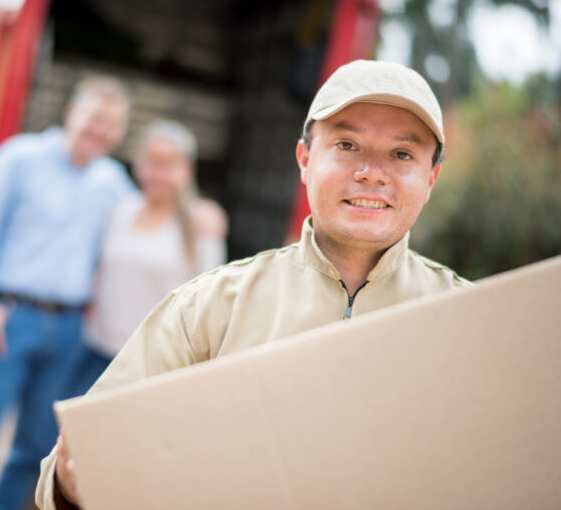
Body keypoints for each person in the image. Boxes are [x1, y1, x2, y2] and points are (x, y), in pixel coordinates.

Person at [36, 59, 471, 510]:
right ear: (305, 159)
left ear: (431, 177)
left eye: (402, 154)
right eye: (347, 144)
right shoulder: (206, 309)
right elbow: (68, 472)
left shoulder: (469, 324)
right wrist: (75, 484)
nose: (371, 172)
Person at [0, 76, 133, 510]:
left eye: (112, 125)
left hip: (68, 331)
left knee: (34, 450)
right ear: (71, 114)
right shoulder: (20, 158)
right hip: (7, 318)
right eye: (94, 118)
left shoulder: (113, 182)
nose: (100, 131)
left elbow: (148, 230)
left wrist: (198, 214)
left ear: (120, 133)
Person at [84, 120, 227, 364]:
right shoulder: (120, 210)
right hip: (95, 348)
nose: (157, 174)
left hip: (151, 361)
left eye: (168, 165)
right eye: (150, 163)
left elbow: (209, 303)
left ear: (187, 169)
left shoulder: (199, 224)